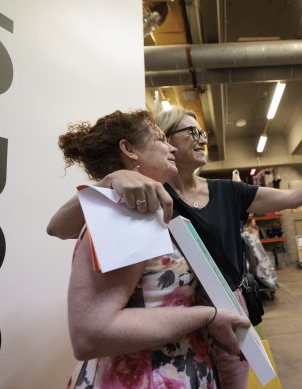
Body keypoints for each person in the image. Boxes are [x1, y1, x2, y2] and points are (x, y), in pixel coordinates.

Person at [48, 106, 302, 387]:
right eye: (167, 137)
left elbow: (293, 197)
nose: (198, 140)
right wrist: (110, 182)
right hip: (157, 367)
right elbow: (60, 231)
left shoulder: (174, 201)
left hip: (197, 347)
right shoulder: (139, 205)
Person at [57, 109, 250, 388]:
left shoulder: (142, 209)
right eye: (159, 138)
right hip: (145, 377)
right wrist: (208, 315)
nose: (170, 146)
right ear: (129, 149)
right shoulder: (126, 214)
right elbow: (91, 334)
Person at [241, 217, 279, 290]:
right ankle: (265, 283)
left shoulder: (254, 230)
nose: (254, 223)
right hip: (255, 253)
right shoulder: (246, 233)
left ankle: (270, 282)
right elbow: (251, 244)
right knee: (260, 268)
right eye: (253, 222)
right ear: (249, 223)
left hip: (260, 252)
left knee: (266, 266)